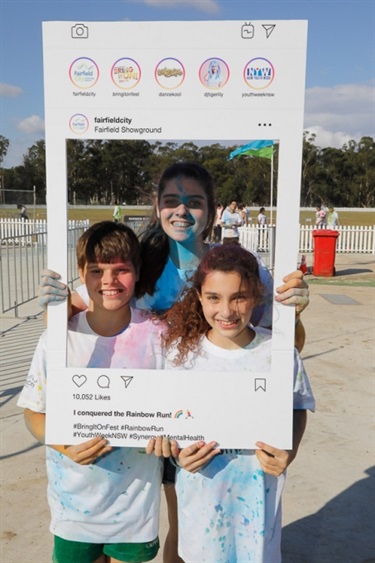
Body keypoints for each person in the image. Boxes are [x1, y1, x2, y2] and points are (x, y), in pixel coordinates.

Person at [38, 162, 310, 563]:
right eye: (171, 201)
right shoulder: (138, 264)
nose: (181, 211)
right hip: (155, 420)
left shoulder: (238, 268)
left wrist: (296, 311)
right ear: (157, 205)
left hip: (216, 423)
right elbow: (76, 315)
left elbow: (288, 348)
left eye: (194, 202)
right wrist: (53, 300)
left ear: (213, 209)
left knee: (189, 529)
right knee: (182, 530)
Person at [149, 245, 315, 563]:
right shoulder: (178, 356)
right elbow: (166, 424)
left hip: (257, 510)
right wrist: (175, 452)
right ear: (198, 296)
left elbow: (297, 406)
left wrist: (288, 451)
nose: (226, 311)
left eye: (238, 297)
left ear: (256, 295)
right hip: (200, 514)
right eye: (214, 297)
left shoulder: (277, 354)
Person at [18, 221, 164, 563]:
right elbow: (33, 411)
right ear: (80, 274)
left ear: (138, 272)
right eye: (96, 270)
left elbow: (179, 408)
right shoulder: (58, 338)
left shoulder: (160, 335)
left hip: (135, 510)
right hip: (73, 508)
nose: (109, 281)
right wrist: (64, 445)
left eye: (121, 270)